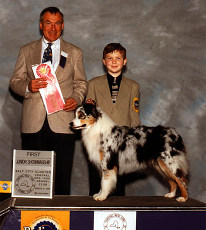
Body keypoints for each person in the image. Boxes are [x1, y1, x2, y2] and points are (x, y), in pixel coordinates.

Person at [9, 7, 87, 195]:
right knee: (32, 181)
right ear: (40, 25)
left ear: (63, 26)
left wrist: (75, 99)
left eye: (57, 23)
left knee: (61, 179)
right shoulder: (27, 50)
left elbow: (81, 83)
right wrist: (29, 86)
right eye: (48, 23)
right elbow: (14, 82)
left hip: (62, 122)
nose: (53, 28)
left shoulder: (74, 52)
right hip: (33, 124)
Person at [86, 43, 140, 196]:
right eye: (110, 58)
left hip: (122, 143)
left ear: (124, 61)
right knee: (97, 181)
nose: (114, 61)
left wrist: (135, 140)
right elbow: (90, 115)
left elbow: (134, 114)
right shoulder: (93, 84)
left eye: (118, 58)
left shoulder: (133, 86)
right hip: (99, 142)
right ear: (104, 61)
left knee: (118, 183)